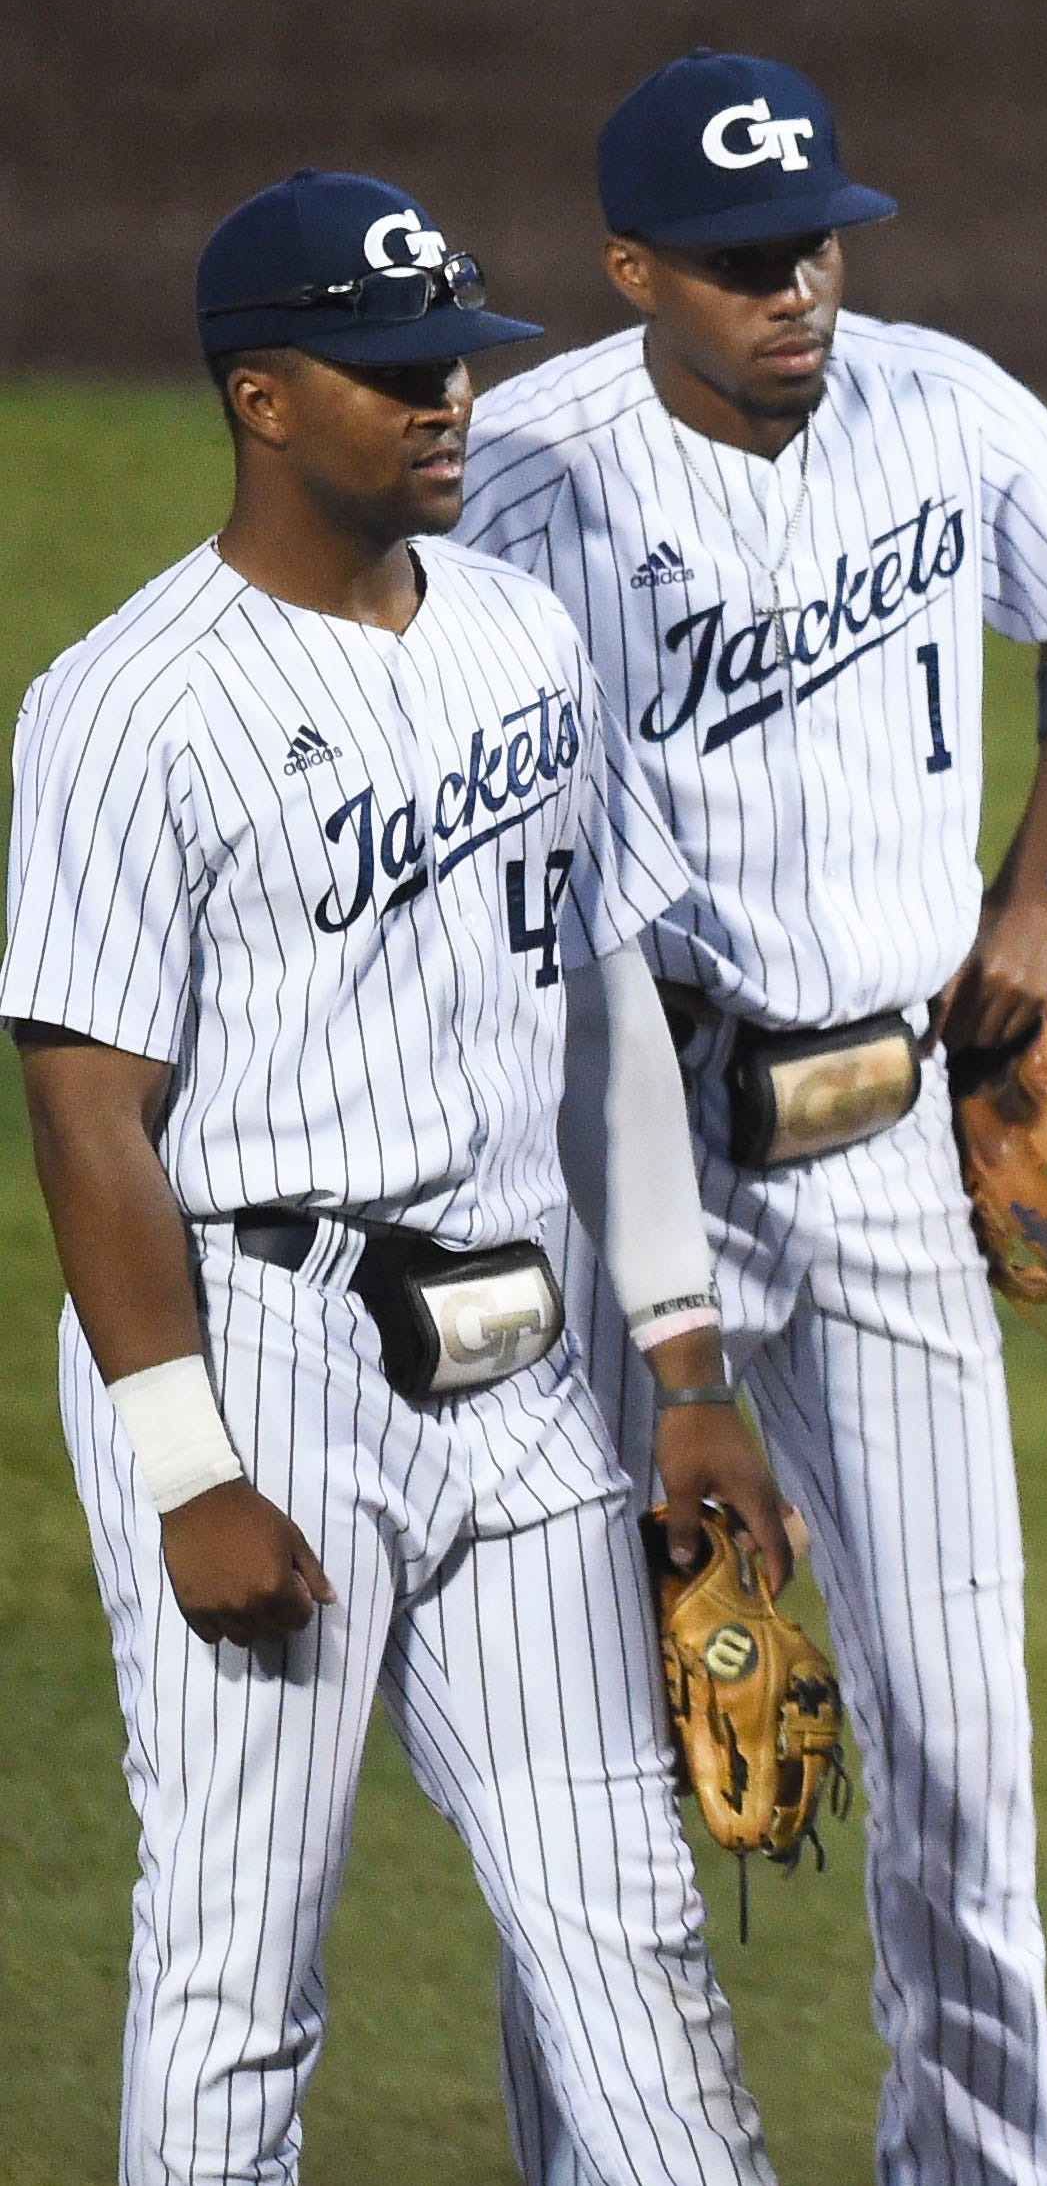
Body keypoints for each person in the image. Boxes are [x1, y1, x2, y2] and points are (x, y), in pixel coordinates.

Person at [6, 172, 785, 2183]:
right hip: (258, 1358)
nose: (447, 400)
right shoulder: (124, 706)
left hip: (523, 1368)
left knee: (630, 1930)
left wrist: (686, 1364)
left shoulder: (524, 635)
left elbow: (606, 1003)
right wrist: (188, 1466)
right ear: (261, 398)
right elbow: (90, 1113)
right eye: (390, 375)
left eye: (453, 361)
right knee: (237, 1971)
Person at [455, 51, 1047, 2183]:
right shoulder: (522, 474)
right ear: (629, 271)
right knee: (595, 1764)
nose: (799, 291)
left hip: (878, 1162)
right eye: (745, 262)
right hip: (599, 1150)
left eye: (818, 245)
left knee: (963, 1760)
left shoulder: (942, 402)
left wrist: (1040, 893)